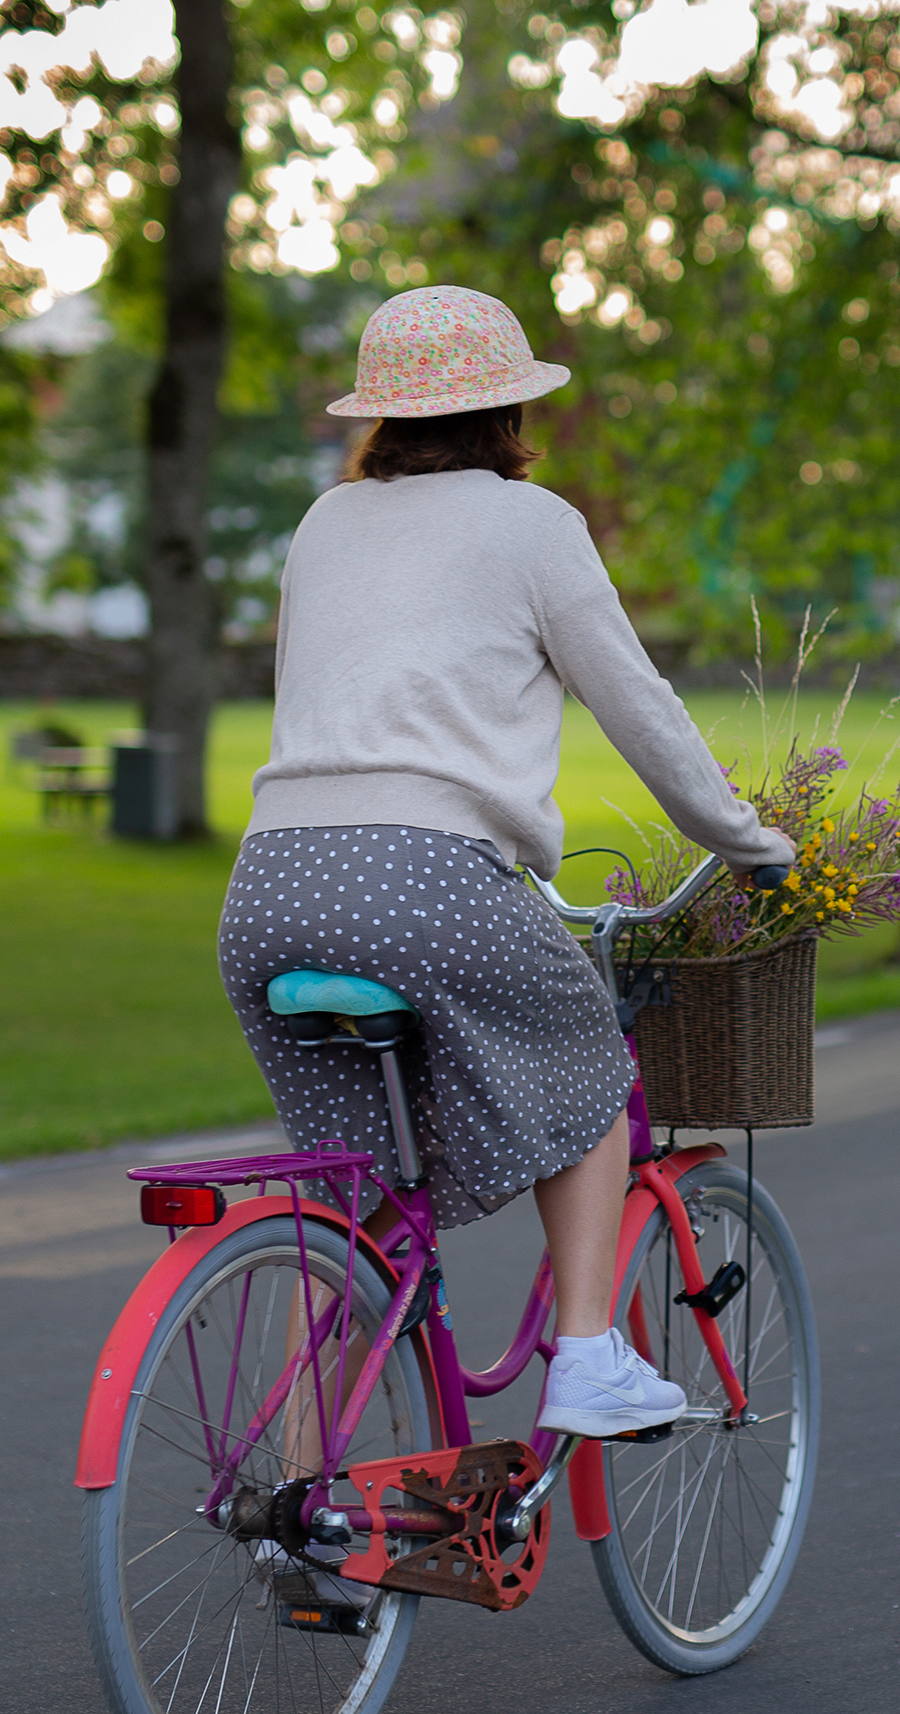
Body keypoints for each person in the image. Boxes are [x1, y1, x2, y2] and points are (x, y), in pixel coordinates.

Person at [221, 284, 796, 1442]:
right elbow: (638, 708)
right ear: (509, 410)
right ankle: (586, 1352)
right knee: (591, 1064)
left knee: (352, 1194)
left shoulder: (323, 523)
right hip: (425, 882)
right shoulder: (532, 526)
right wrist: (744, 841)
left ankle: (298, 1489)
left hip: (269, 887)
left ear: (381, 416)